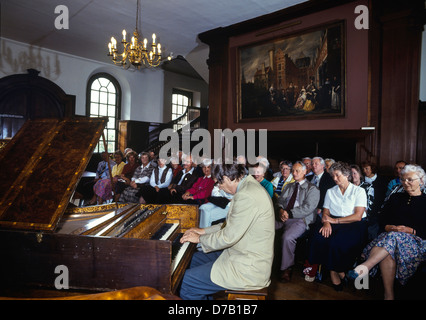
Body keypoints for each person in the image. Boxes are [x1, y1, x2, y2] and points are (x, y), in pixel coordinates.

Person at [178, 162, 275, 300]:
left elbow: (228, 237)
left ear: (228, 178)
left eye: (219, 183)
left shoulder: (247, 195)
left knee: (187, 281)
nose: (219, 186)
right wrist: (202, 231)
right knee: (190, 260)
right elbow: (230, 225)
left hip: (248, 267)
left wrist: (199, 239)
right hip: (238, 253)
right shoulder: (247, 187)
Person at [349, 164, 426, 300]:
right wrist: (388, 227)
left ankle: (366, 266)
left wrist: (412, 230)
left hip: (417, 241)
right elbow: (382, 218)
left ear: (421, 180)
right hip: (389, 237)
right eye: (403, 180)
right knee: (389, 248)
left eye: (410, 180)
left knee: (391, 239)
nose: (406, 183)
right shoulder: (395, 197)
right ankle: (388, 295)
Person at [306, 162, 367, 290]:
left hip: (354, 224)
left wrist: (335, 221)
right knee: (317, 238)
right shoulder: (330, 191)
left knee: (335, 243)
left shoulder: (359, 191)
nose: (334, 178)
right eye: (333, 176)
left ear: (346, 175)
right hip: (333, 221)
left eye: (337, 175)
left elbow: (358, 216)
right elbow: (326, 211)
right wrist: (327, 222)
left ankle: (334, 272)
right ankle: (339, 273)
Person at [275, 161, 320, 282]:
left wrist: (289, 213)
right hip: (284, 216)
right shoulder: (289, 186)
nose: (294, 173)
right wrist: (280, 210)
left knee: (287, 237)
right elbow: (280, 201)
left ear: (305, 171)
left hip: (300, 220)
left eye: (297, 171)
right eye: (293, 170)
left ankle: (286, 268)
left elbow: (308, 208)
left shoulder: (313, 189)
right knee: (265, 228)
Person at [350, 164, 376, 240]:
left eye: (354, 173)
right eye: (351, 173)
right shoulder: (348, 187)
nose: (353, 175)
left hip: (363, 216)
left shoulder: (368, 186)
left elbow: (370, 205)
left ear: (360, 174)